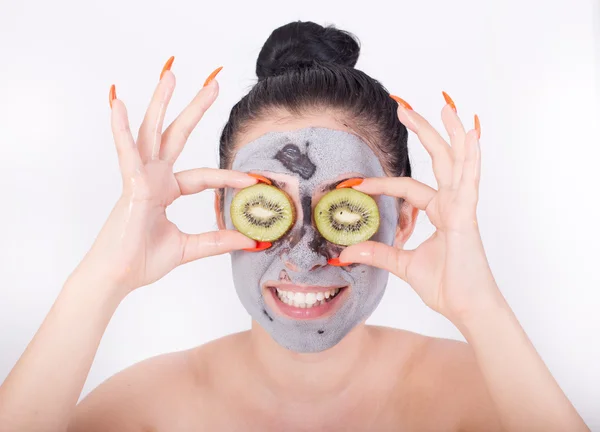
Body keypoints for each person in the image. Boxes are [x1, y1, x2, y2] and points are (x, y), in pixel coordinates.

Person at [0, 21, 589, 432]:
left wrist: (482, 308)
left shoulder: (483, 399)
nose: (305, 257)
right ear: (221, 211)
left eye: (345, 210)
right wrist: (101, 279)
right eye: (265, 204)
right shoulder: (142, 411)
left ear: (403, 220)